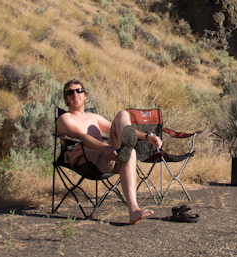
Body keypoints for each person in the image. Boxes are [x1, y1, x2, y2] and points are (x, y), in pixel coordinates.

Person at [55, 79, 162, 224]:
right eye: (70, 92)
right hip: (87, 160)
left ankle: (134, 210)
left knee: (123, 116)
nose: (75, 94)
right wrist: (105, 147)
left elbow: (121, 128)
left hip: (107, 156)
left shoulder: (93, 117)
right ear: (66, 98)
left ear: (85, 95)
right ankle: (124, 151)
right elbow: (81, 136)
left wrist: (147, 136)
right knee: (130, 153)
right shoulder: (64, 119)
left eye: (79, 91)